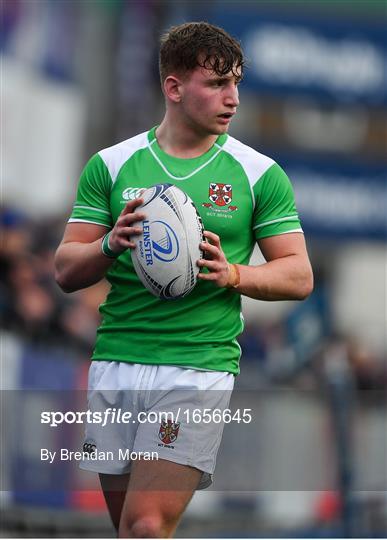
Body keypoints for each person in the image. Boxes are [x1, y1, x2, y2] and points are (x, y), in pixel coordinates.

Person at [55, 21, 313, 538]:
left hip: (197, 365)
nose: (233, 98)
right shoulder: (112, 165)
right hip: (117, 360)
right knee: (129, 529)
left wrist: (234, 273)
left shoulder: (259, 174)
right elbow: (64, 268)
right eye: (217, 84)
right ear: (174, 88)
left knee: (146, 526)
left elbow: (298, 274)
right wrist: (109, 244)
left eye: (237, 82)